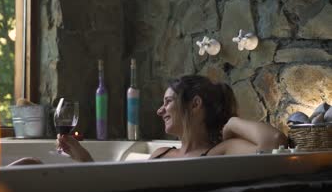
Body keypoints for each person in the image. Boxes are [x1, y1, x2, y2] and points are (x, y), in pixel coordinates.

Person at [56, 75, 287, 162]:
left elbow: (275, 141)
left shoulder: (221, 151)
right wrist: (82, 156)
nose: (159, 110)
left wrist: (231, 123)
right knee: (29, 164)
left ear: (195, 104)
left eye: (167, 101)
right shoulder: (160, 153)